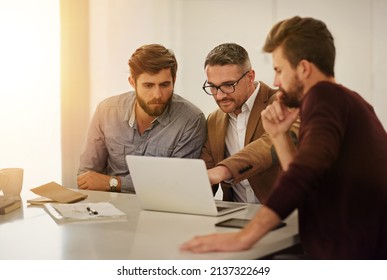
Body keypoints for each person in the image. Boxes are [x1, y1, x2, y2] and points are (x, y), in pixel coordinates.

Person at [181, 16, 387, 259]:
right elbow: (307, 178)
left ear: (303, 68)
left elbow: (302, 174)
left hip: (355, 251)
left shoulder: (324, 98)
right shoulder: (346, 100)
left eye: (279, 69)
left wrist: (243, 237)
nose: (276, 81)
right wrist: (279, 136)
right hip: (346, 242)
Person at [77, 44, 207, 193]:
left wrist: (114, 183)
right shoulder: (106, 111)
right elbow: (86, 177)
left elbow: (176, 184)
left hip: (162, 210)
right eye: (148, 85)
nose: (157, 94)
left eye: (165, 85)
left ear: (174, 80)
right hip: (109, 209)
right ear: (132, 82)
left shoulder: (191, 120)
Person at [201, 43, 299, 204]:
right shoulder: (214, 120)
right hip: (236, 216)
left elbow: (269, 145)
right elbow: (204, 175)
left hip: (282, 214)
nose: (219, 96)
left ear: (250, 77)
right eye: (212, 87)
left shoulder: (282, 103)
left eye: (228, 85)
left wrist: (223, 171)